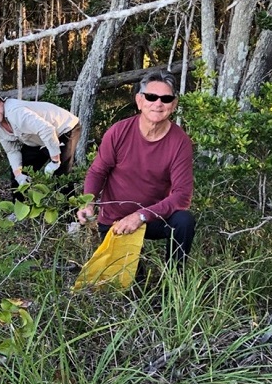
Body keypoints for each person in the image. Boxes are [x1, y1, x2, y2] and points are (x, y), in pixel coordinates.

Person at [76, 70, 195, 264]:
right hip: (115, 221)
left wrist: (141, 216)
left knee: (184, 220)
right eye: (151, 97)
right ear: (139, 101)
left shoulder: (180, 142)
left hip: (151, 218)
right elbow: (98, 171)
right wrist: (88, 203)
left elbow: (182, 196)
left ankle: (174, 281)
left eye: (165, 99)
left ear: (173, 105)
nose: (158, 103)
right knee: (127, 289)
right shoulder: (118, 132)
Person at [0, 90, 80, 187]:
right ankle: (21, 205)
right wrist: (19, 175)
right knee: (19, 173)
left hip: (64, 128)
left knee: (61, 175)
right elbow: (12, 150)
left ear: (0, 101)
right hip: (36, 138)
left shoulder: (15, 112)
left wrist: (55, 161)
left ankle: (69, 206)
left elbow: (47, 130)